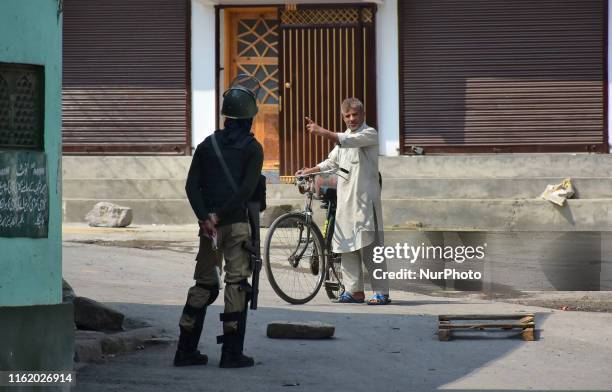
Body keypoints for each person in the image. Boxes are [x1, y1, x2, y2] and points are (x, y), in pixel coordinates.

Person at [174, 75, 264, 368]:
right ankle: (231, 354)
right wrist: (219, 216)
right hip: (236, 225)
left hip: (209, 231)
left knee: (204, 285)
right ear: (249, 117)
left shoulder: (206, 145)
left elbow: (191, 187)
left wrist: (206, 218)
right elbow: (245, 191)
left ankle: (185, 351)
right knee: (237, 284)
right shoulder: (253, 149)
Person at [296, 98, 390, 305]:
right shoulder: (344, 138)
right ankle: (354, 291)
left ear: (363, 115)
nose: (351, 119)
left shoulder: (369, 134)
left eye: (355, 114)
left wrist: (322, 132)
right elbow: (332, 161)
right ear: (343, 117)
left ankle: (382, 293)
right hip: (346, 201)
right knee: (346, 245)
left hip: (366, 201)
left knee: (371, 248)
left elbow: (345, 141)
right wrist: (309, 170)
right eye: (347, 116)